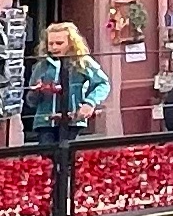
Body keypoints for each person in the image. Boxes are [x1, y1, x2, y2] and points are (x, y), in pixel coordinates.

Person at [22, 22, 110, 153]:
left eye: (59, 43)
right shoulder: (41, 66)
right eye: (51, 43)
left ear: (71, 43)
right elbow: (31, 102)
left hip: (73, 121)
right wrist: (36, 92)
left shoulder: (83, 62)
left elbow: (103, 83)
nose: (54, 47)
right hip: (45, 123)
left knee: (70, 156)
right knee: (47, 157)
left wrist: (90, 103)